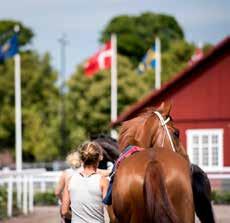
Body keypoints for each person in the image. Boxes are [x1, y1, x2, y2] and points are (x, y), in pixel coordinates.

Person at [62, 141, 109, 223]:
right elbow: (109, 211)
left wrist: (76, 218)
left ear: (81, 159)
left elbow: (64, 211)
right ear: (99, 158)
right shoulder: (103, 181)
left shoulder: (70, 180)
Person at [55, 151, 81, 223]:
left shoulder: (65, 173)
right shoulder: (83, 172)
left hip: (68, 206)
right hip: (80, 205)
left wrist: (63, 201)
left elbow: (57, 192)